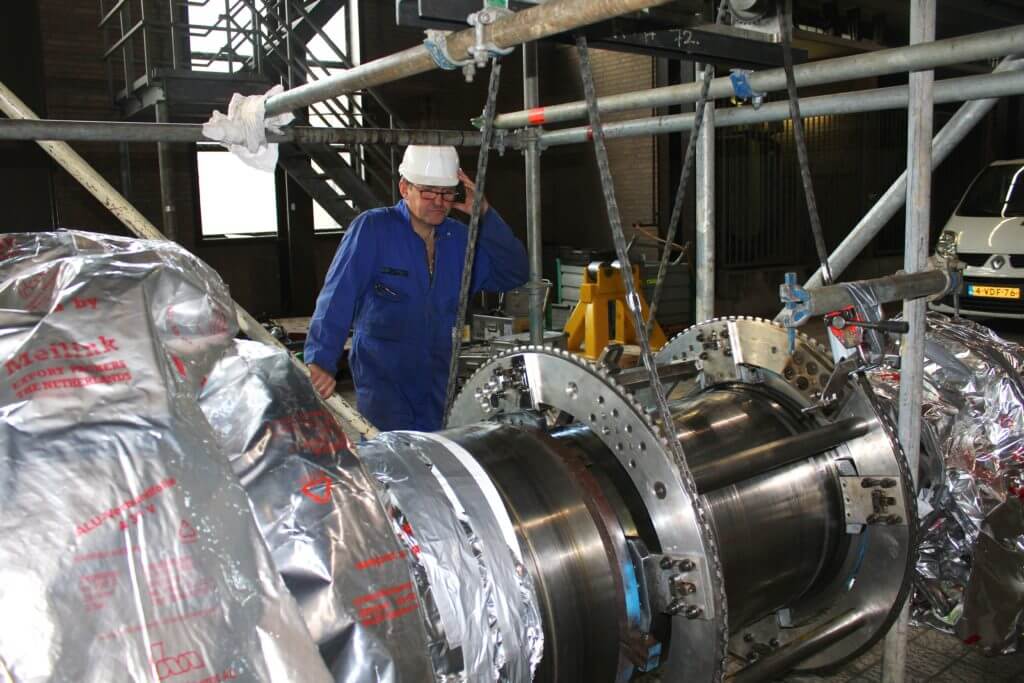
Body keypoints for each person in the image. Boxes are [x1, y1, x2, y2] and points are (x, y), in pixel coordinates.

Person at [304, 145, 528, 432]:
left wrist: (482, 211)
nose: (439, 201)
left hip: (439, 378)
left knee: (437, 458)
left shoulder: (460, 240)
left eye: (447, 193)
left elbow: (515, 271)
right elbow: (337, 296)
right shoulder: (373, 229)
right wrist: (321, 359)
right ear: (404, 188)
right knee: (391, 462)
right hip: (384, 381)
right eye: (428, 192)